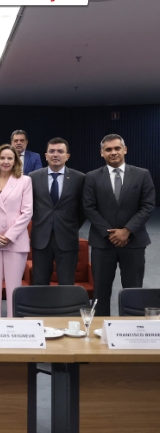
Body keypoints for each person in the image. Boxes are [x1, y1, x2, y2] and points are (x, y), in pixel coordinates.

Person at [83, 134, 155, 316]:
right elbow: (89, 208)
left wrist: (127, 230)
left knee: (133, 291)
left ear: (125, 149)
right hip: (102, 243)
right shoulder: (91, 177)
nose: (113, 152)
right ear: (102, 153)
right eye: (108, 149)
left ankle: (133, 332)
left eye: (117, 148)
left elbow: (148, 205)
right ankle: (100, 334)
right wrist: (111, 234)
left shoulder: (142, 174)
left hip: (134, 242)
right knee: (100, 291)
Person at [0, 144, 33, 318]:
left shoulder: (25, 181)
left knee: (13, 287)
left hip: (15, 240)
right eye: (2, 158)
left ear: (16, 161)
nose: (6, 161)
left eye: (10, 158)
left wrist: (9, 236)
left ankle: (13, 325)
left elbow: (27, 212)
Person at [29, 138, 86, 286]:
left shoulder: (79, 178)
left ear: (67, 156)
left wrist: (70, 225)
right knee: (39, 282)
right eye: (52, 151)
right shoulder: (33, 177)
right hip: (41, 239)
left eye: (60, 151)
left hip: (67, 237)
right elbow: (30, 206)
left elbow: (83, 209)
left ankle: (65, 310)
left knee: (67, 283)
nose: (56, 155)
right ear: (46, 155)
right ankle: (41, 310)